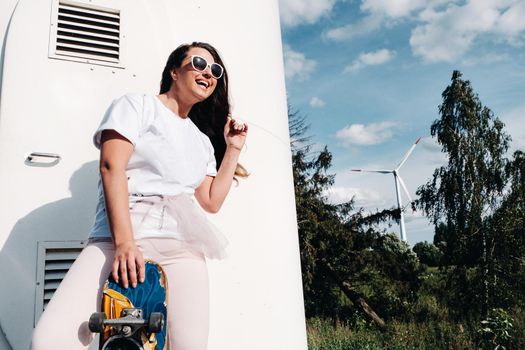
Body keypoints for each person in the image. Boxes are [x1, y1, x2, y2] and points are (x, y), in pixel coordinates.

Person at [32, 41, 248, 350]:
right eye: (199, 63)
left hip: (181, 248)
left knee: (190, 346)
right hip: (118, 238)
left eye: (215, 70)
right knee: (49, 340)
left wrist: (234, 149)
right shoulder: (137, 106)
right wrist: (124, 243)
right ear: (174, 71)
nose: (208, 73)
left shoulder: (200, 141)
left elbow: (211, 201)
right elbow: (111, 167)